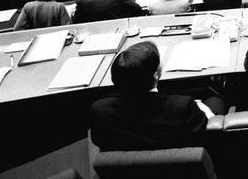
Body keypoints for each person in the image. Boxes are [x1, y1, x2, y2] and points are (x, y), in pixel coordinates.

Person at [90, 41, 225, 151]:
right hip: (182, 174)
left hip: (126, 178)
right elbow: (206, 136)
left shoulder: (100, 110)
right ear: (155, 75)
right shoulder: (183, 107)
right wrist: (205, 111)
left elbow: (99, 141)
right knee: (215, 100)